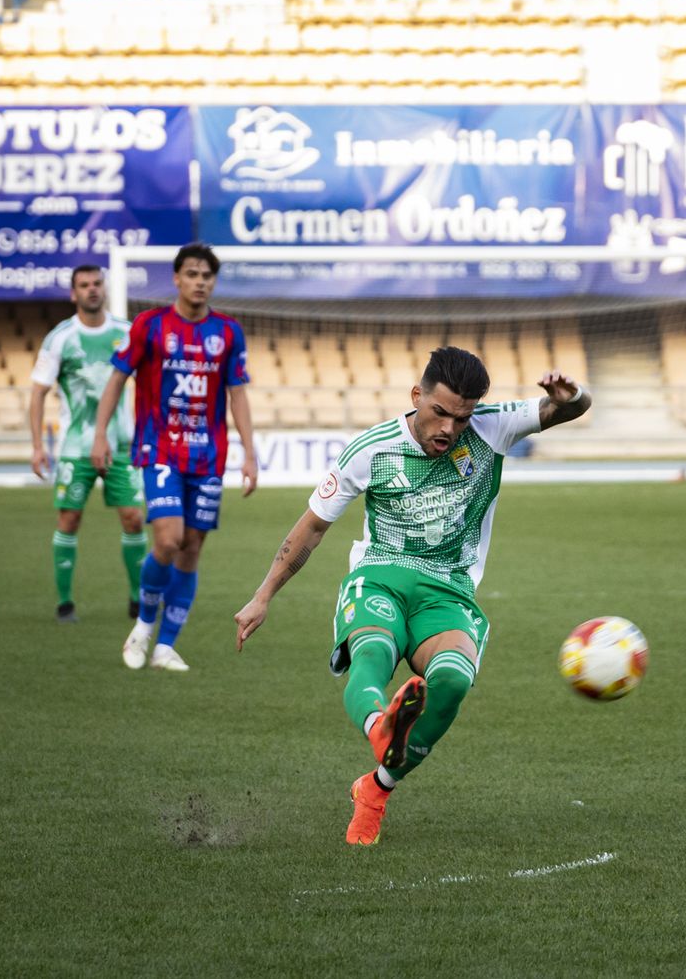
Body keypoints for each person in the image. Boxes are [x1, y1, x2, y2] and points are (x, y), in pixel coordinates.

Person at [232, 347, 592, 846]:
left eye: (460, 418)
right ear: (416, 396)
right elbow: (311, 528)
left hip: (448, 591)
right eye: (439, 412)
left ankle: (375, 788)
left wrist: (572, 396)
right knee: (374, 652)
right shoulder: (372, 448)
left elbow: (568, 408)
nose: (449, 427)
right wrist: (262, 595)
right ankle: (382, 726)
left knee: (452, 680)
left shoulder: (492, 427)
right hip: (379, 577)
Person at [91, 242, 258, 672]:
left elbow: (237, 393)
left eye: (207, 276)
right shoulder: (149, 325)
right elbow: (116, 379)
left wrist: (250, 453)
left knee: (192, 548)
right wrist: (101, 436)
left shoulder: (228, 332)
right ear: (178, 278)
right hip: (160, 447)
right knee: (167, 540)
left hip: (208, 456)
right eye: (193, 274)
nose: (200, 282)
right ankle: (144, 625)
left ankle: (166, 645)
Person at [30, 264, 146, 623]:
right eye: (84, 285)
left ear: (105, 288)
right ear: (73, 293)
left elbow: (151, 382)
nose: (92, 290)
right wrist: (37, 446)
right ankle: (65, 603)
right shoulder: (60, 338)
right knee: (69, 518)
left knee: (133, 519)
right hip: (74, 448)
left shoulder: (127, 333)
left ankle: (136, 599)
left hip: (121, 447)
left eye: (97, 284)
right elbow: (37, 394)